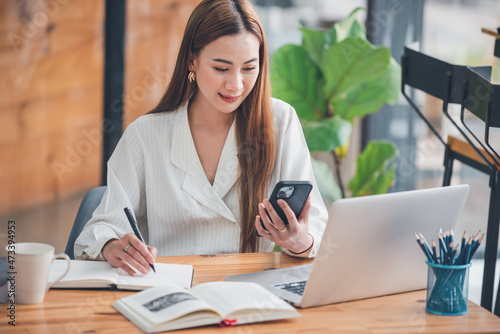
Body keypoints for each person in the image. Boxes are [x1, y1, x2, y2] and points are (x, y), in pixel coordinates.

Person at [74, 0, 328, 276]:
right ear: (191, 61)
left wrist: (301, 241)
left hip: (250, 293)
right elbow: (98, 230)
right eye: (221, 68)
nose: (235, 85)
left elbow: (316, 227)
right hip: (170, 291)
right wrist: (112, 245)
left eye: (248, 68)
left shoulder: (280, 122)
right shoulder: (146, 135)